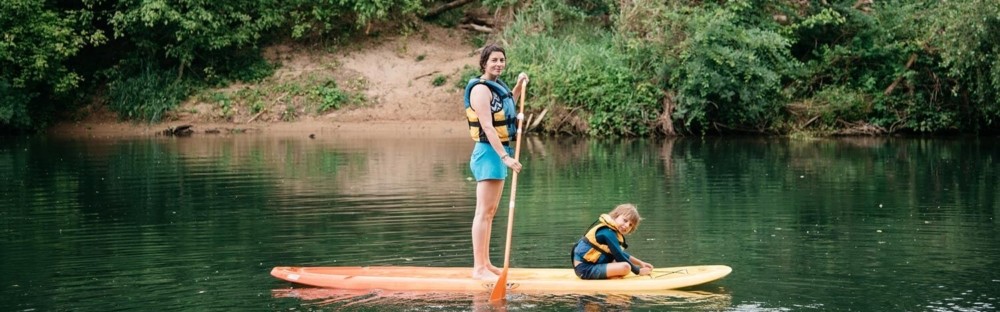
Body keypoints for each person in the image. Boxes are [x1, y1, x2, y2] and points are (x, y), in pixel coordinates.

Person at [464, 43, 529, 280]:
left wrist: (519, 86)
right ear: (484, 63)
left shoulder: (497, 86)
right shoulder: (480, 90)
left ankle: (486, 263)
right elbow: (488, 126)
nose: (499, 64)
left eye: (502, 60)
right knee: (483, 212)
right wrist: (505, 157)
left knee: (490, 212)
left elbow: (507, 102)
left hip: (497, 152)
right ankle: (478, 268)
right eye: (494, 60)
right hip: (489, 152)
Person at [571, 203, 654, 279]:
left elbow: (619, 253)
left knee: (620, 263)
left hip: (591, 265)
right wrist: (638, 271)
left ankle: (611, 275)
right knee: (626, 267)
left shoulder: (612, 232)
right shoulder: (608, 233)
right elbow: (619, 255)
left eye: (630, 225)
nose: (626, 226)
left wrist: (640, 263)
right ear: (615, 216)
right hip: (584, 269)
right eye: (625, 220)